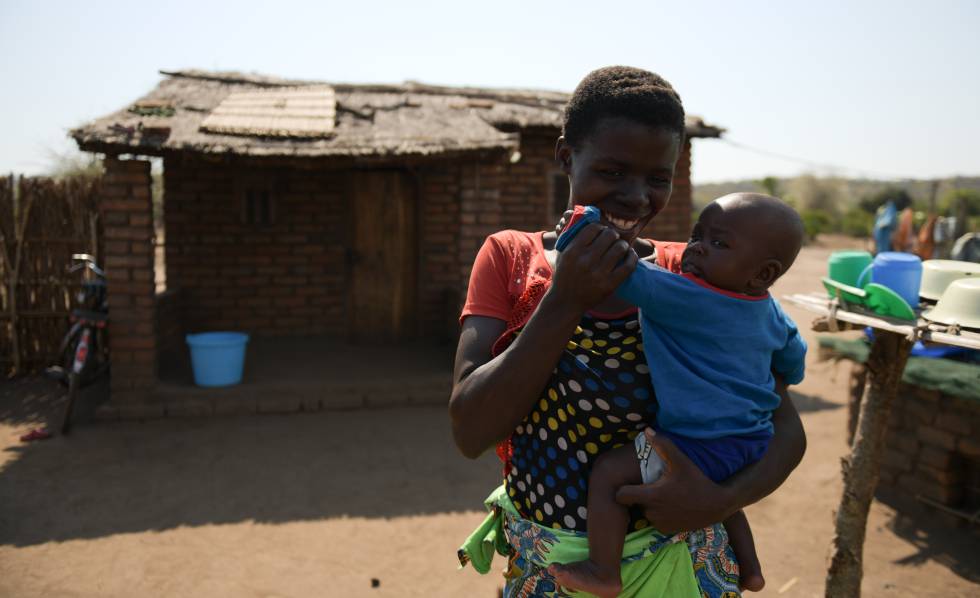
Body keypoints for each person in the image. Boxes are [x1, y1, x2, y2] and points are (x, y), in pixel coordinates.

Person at [451, 66, 807, 597]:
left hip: (685, 566)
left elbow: (782, 429)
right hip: (553, 570)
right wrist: (566, 298)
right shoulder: (510, 257)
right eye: (613, 171)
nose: (637, 197)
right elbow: (470, 431)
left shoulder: (692, 276)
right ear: (567, 156)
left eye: (657, 178)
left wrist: (717, 502)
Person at [547, 195, 806, 597]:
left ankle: (603, 570)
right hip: (753, 440)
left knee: (609, 473)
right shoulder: (770, 311)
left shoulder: (683, 295)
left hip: (696, 441)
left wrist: (579, 226)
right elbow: (794, 355)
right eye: (696, 236)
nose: (697, 248)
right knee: (723, 495)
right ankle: (751, 570)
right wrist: (786, 379)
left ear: (763, 273)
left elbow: (621, 272)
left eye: (718, 244)